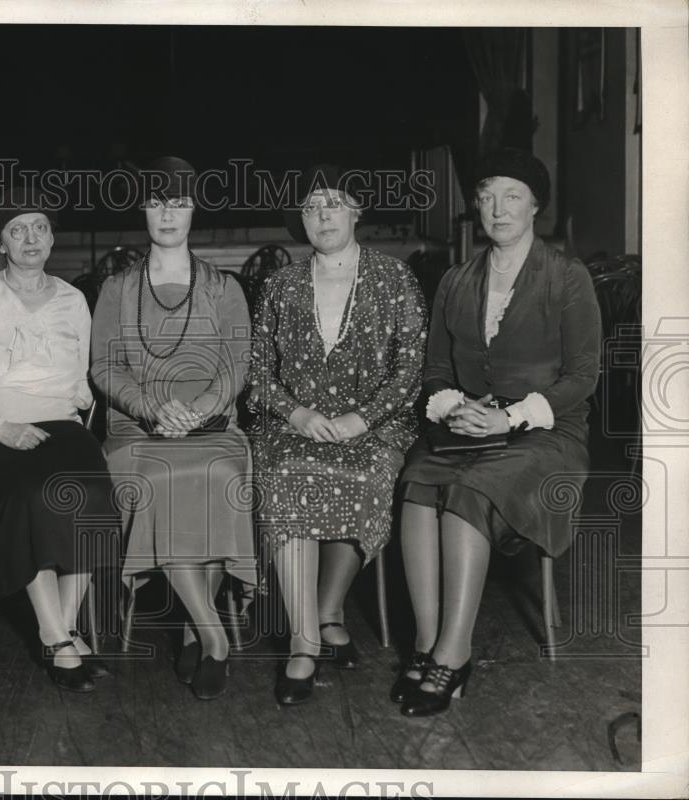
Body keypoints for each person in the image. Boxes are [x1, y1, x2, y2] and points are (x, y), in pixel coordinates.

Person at [395, 148, 601, 717]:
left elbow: (583, 377)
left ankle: (455, 655)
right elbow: (435, 369)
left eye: (512, 196)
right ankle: (426, 643)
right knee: (416, 481)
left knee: (468, 490)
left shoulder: (567, 277)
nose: (497, 208)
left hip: (546, 435)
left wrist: (508, 418)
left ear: (536, 206)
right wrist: (452, 406)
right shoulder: (457, 281)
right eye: (486, 197)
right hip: (470, 427)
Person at [247, 165, 427, 705]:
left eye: (333, 203)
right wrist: (297, 414)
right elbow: (258, 372)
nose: (322, 215)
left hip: (372, 422)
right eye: (310, 207)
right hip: (291, 422)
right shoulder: (279, 285)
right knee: (287, 474)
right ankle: (304, 638)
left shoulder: (395, 279)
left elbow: (411, 368)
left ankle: (329, 607)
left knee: (365, 470)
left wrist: (362, 420)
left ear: (356, 212)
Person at [0, 190, 118, 693]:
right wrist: (0, 428)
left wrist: (86, 418)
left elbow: (83, 382)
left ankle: (62, 624)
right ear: (1, 243)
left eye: (40, 227)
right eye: (18, 230)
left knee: (94, 493)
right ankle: (56, 636)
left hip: (58, 422)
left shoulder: (73, 299)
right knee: (32, 494)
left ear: (53, 237)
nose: (31, 238)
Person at [90, 156, 256, 701]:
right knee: (162, 478)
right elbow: (103, 367)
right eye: (157, 202)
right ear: (142, 209)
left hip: (211, 427)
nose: (167, 214)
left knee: (215, 470)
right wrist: (153, 408)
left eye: (178, 202)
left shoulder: (223, 286)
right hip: (137, 430)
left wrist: (204, 407)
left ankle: (191, 629)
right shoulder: (117, 288)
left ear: (193, 210)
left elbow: (237, 363)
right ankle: (214, 637)